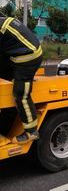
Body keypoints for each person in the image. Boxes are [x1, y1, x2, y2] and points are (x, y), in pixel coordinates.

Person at [0, 16, 43, 144]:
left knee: (21, 94)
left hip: (28, 58)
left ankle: (31, 132)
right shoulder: (2, 21)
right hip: (15, 54)